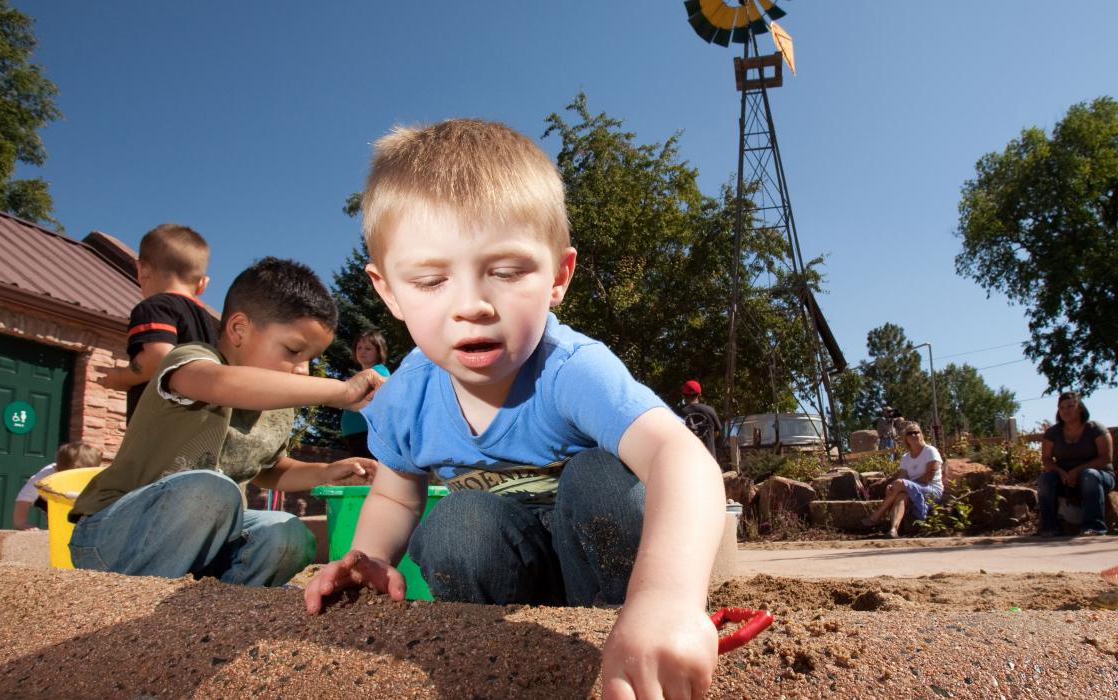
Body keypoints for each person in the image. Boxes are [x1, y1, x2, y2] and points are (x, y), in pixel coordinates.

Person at [302, 119, 725, 697]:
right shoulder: (407, 395)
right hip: (509, 586)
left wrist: (669, 599)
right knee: (458, 522)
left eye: (506, 272)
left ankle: (628, 640)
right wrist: (370, 556)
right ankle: (498, 662)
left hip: (607, 578)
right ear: (389, 291)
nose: (472, 305)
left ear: (558, 277)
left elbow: (682, 456)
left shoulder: (570, 368)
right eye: (430, 281)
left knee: (602, 476)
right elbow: (397, 492)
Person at [69, 257, 387, 586]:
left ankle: (217, 603)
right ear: (238, 330)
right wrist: (340, 391)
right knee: (213, 491)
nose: (301, 370)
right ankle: (142, 599)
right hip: (115, 535)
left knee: (288, 535)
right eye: (293, 351)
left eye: (310, 360)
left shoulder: (278, 405)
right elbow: (220, 384)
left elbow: (268, 469)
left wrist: (326, 472)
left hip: (208, 543)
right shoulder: (191, 361)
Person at [98, 224, 220, 423]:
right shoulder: (207, 321)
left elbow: (158, 358)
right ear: (202, 284)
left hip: (158, 427)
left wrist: (122, 377)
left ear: (142, 269)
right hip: (195, 427)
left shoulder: (154, 307)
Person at [1038, 392, 1114, 536]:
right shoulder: (1052, 433)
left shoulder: (1096, 429)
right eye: (1061, 407)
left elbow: (1106, 458)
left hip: (1098, 476)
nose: (1065, 410)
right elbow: (1046, 459)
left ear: (1080, 408)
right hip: (1065, 478)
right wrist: (1060, 472)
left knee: (1089, 475)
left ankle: (1094, 526)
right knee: (1045, 479)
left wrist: (1078, 471)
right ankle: (1049, 527)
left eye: (1070, 406)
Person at [862, 421, 944, 538]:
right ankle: (893, 530)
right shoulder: (906, 457)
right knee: (901, 496)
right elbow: (902, 477)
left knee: (899, 485)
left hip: (931, 490)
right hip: (913, 489)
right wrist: (895, 486)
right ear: (906, 438)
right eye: (911, 433)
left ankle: (876, 516)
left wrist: (902, 484)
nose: (915, 435)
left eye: (917, 432)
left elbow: (928, 478)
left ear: (921, 435)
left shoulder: (930, 451)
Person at [12, 441, 102, 530]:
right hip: (51, 497)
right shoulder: (47, 475)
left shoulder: (96, 474)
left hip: (78, 499)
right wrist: (21, 522)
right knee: (58, 518)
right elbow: (24, 498)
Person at [339, 330, 392, 458]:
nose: (362, 351)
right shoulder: (362, 375)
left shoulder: (378, 372)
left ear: (379, 352)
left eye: (368, 348)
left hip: (366, 433)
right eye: (359, 347)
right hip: (357, 434)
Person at [680, 379, 721, 463]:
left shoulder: (678, 414)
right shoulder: (710, 410)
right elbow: (716, 433)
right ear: (699, 394)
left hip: (688, 462)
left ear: (683, 396)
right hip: (710, 460)